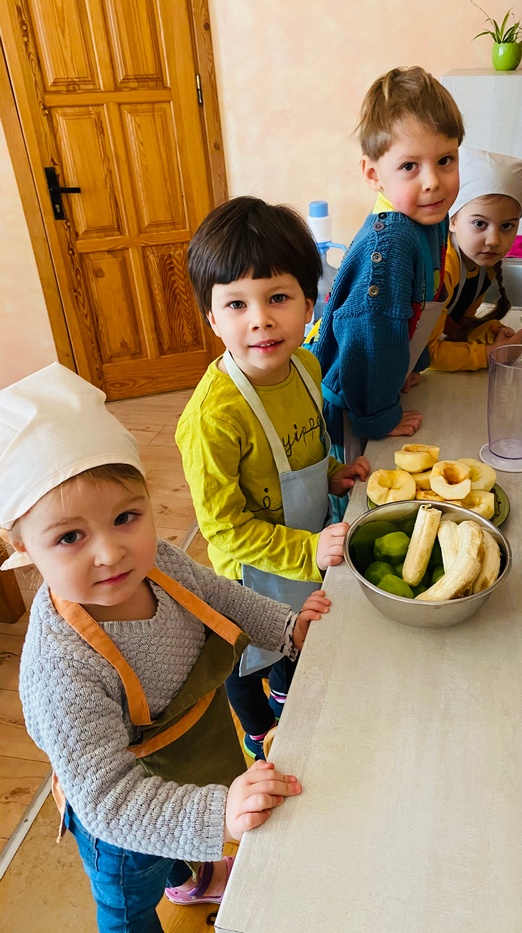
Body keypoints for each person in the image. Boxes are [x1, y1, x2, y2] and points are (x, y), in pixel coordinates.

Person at [3, 363, 331, 932]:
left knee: (180, 849)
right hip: (124, 820)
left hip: (195, 755)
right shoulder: (62, 670)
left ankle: (188, 876)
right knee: (129, 907)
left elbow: (220, 595)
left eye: (126, 517)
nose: (111, 553)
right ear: (22, 547)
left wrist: (286, 628)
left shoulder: (160, 564)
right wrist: (218, 814)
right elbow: (109, 800)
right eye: (70, 536)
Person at [176, 197, 369, 760]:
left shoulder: (306, 367)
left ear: (310, 303)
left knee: (296, 639)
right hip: (249, 578)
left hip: (306, 552)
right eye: (237, 303)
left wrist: (334, 474)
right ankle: (258, 730)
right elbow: (225, 530)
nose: (260, 319)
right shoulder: (214, 419)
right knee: (245, 659)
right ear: (213, 318)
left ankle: (289, 701)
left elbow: (307, 445)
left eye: (278, 298)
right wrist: (308, 550)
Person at [309, 66, 464, 460]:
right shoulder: (391, 244)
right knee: (350, 477)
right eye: (410, 166)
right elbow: (370, 335)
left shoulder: (430, 217)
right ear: (373, 174)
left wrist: (409, 367)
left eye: (445, 160)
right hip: (349, 399)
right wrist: (379, 417)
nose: (432, 181)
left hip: (378, 383)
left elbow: (419, 306)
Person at [427, 147, 522, 372]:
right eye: (479, 224)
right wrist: (489, 355)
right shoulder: (443, 269)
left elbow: (456, 325)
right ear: (452, 220)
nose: (493, 240)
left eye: (507, 226)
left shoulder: (484, 266)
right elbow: (427, 354)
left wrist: (487, 331)